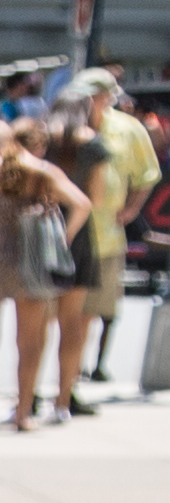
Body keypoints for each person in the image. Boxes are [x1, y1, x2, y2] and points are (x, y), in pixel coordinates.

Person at [0, 113, 90, 428]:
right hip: (31, 261)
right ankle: (22, 415)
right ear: (39, 143)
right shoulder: (43, 172)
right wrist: (63, 238)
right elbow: (82, 203)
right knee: (29, 343)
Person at [71, 70, 154, 405]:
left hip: (105, 237)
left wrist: (132, 209)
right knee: (55, 314)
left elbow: (146, 174)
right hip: (63, 236)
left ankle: (70, 383)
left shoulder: (127, 129)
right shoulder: (64, 126)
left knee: (90, 314)